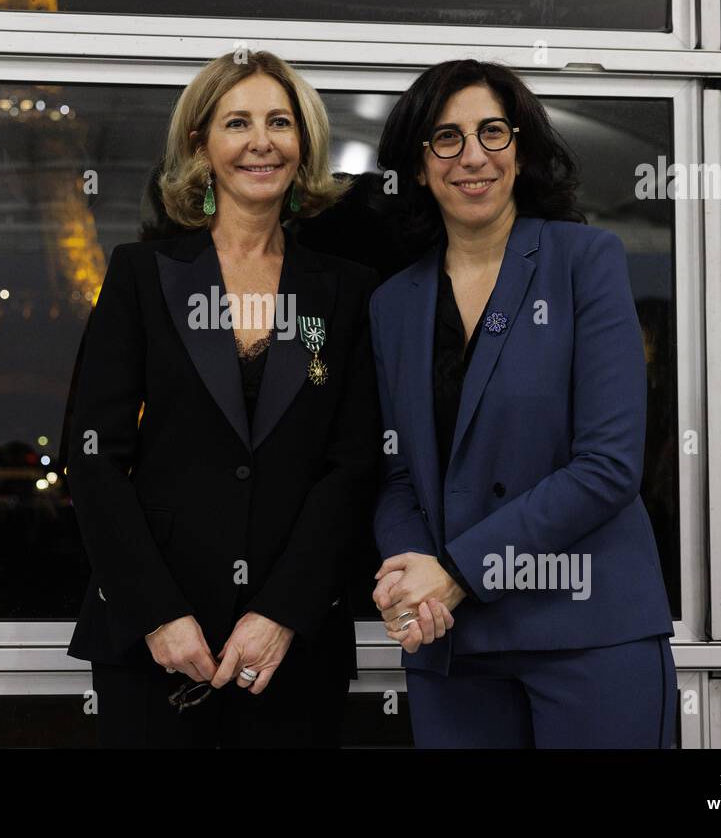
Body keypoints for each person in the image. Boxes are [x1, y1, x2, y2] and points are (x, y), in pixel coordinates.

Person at [66, 50, 379, 747]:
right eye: (237, 122)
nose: (260, 141)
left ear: (305, 144)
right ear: (200, 144)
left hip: (294, 652)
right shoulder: (142, 276)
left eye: (279, 122)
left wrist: (282, 614)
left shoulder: (346, 290)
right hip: (156, 653)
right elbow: (91, 458)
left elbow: (351, 467)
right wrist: (157, 614)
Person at [369, 59, 676, 748]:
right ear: (419, 166)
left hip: (588, 636)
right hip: (452, 648)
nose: (472, 156)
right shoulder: (392, 305)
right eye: (446, 138)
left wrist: (454, 574)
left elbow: (608, 466)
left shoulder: (584, 260)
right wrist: (411, 579)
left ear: (521, 149)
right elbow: (394, 474)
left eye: (492, 132)